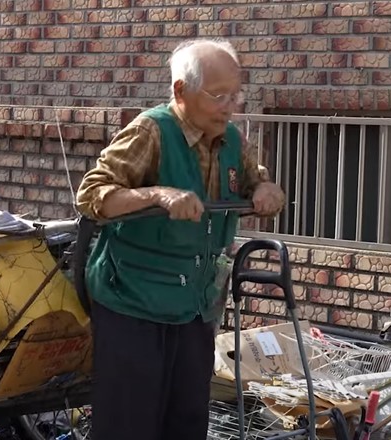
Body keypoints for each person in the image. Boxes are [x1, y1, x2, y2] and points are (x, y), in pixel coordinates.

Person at [74, 38, 286, 439]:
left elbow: (253, 176)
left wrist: (264, 189)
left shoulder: (232, 140)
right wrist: (157, 194)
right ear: (180, 91)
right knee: (129, 425)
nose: (230, 105)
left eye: (235, 95)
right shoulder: (150, 131)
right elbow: (92, 194)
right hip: (133, 300)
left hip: (195, 305)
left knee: (186, 422)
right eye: (218, 95)